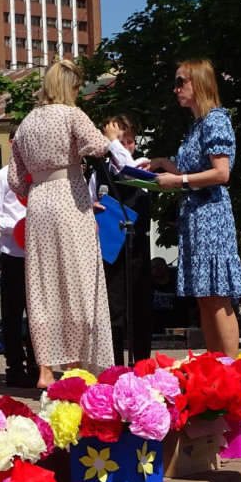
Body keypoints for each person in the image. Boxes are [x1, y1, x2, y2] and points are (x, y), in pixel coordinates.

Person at [7, 59, 114, 387]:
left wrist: (36, 187)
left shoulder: (25, 124)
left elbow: (14, 178)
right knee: (77, 279)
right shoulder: (71, 115)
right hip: (69, 199)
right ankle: (75, 364)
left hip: (39, 203)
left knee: (42, 285)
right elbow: (98, 146)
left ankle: (44, 371)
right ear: (69, 87)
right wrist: (107, 138)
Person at [148, 58, 241, 357]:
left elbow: (221, 173)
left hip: (211, 216)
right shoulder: (197, 124)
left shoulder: (215, 119)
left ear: (199, 82)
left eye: (181, 82)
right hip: (195, 216)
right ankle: (216, 366)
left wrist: (179, 179)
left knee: (216, 296)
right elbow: (193, 169)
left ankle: (233, 372)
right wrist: (166, 165)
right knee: (204, 297)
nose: (175, 89)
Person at [90, 115, 153, 365]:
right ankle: (114, 365)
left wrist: (113, 142)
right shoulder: (99, 173)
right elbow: (86, 203)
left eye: (130, 142)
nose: (127, 147)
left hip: (138, 245)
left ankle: (142, 365)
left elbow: (127, 170)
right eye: (122, 141)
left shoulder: (142, 166)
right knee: (113, 308)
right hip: (111, 246)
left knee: (141, 308)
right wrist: (90, 207)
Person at [0, 132, 37, 387]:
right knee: (13, 312)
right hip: (13, 251)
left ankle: (37, 365)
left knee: (38, 314)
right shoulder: (1, 176)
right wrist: (18, 226)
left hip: (38, 252)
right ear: (11, 143)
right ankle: (14, 366)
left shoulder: (39, 173)